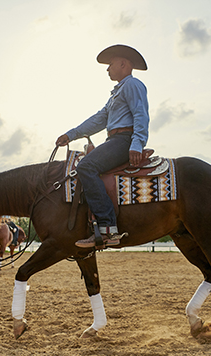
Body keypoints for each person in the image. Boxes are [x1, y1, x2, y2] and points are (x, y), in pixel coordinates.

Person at [56, 44, 149, 248]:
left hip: (124, 140)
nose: (107, 69)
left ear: (123, 64)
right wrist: (70, 135)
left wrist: (137, 143)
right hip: (115, 140)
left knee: (86, 167)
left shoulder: (133, 85)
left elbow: (141, 114)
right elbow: (99, 120)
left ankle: (107, 228)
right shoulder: (117, 93)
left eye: (111, 64)